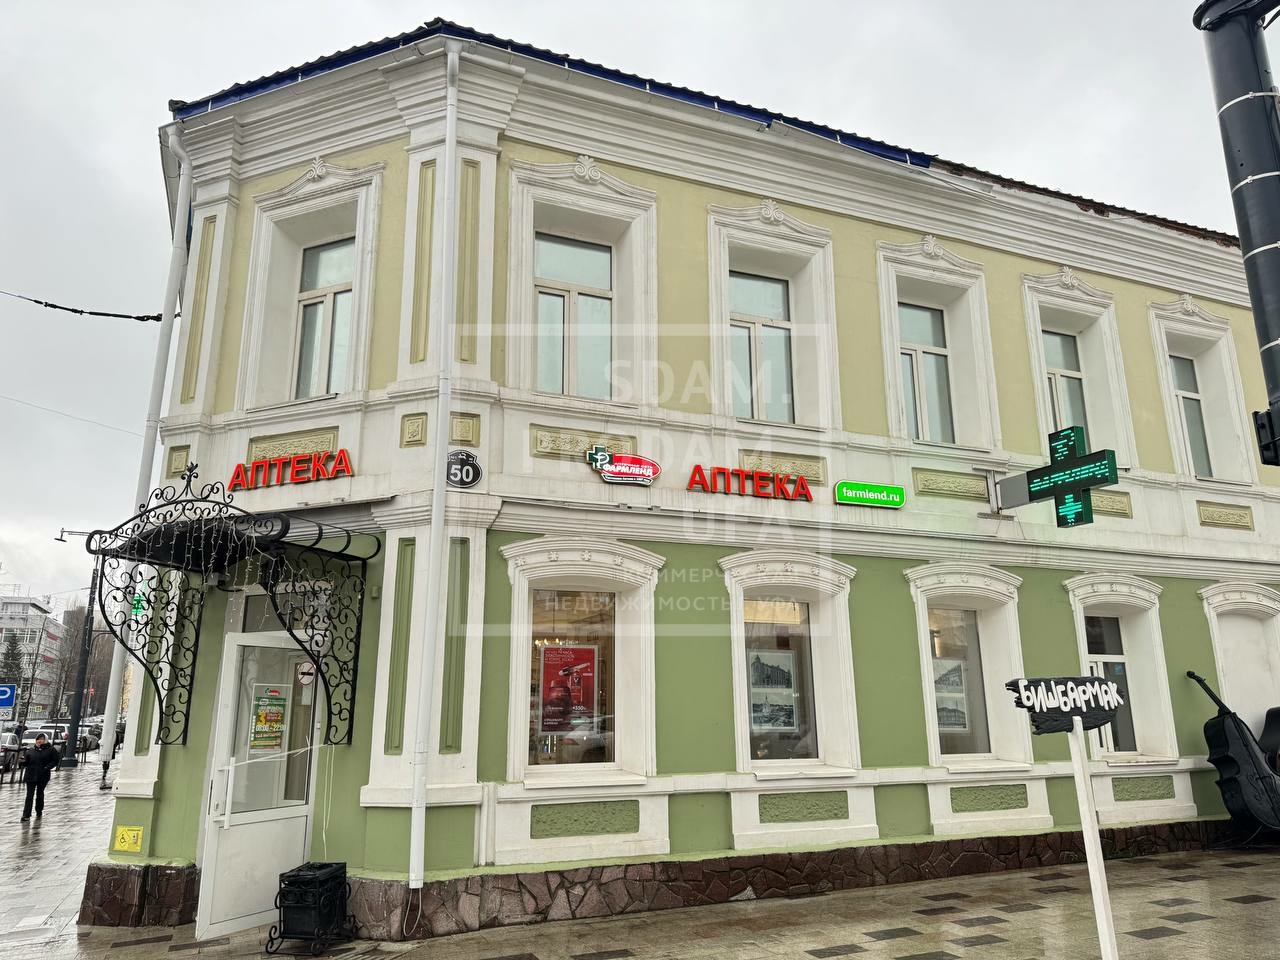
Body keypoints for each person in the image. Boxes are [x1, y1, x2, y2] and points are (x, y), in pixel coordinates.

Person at [21, 733, 59, 822]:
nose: (39, 741)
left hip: (43, 775)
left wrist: (47, 767)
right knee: (29, 795)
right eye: (38, 739)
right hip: (30, 775)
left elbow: (55, 761)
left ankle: (39, 810)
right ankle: (26, 815)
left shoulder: (51, 749)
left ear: (45, 740)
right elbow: (26, 762)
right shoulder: (31, 750)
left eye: (41, 739)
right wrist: (22, 761)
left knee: (39, 793)